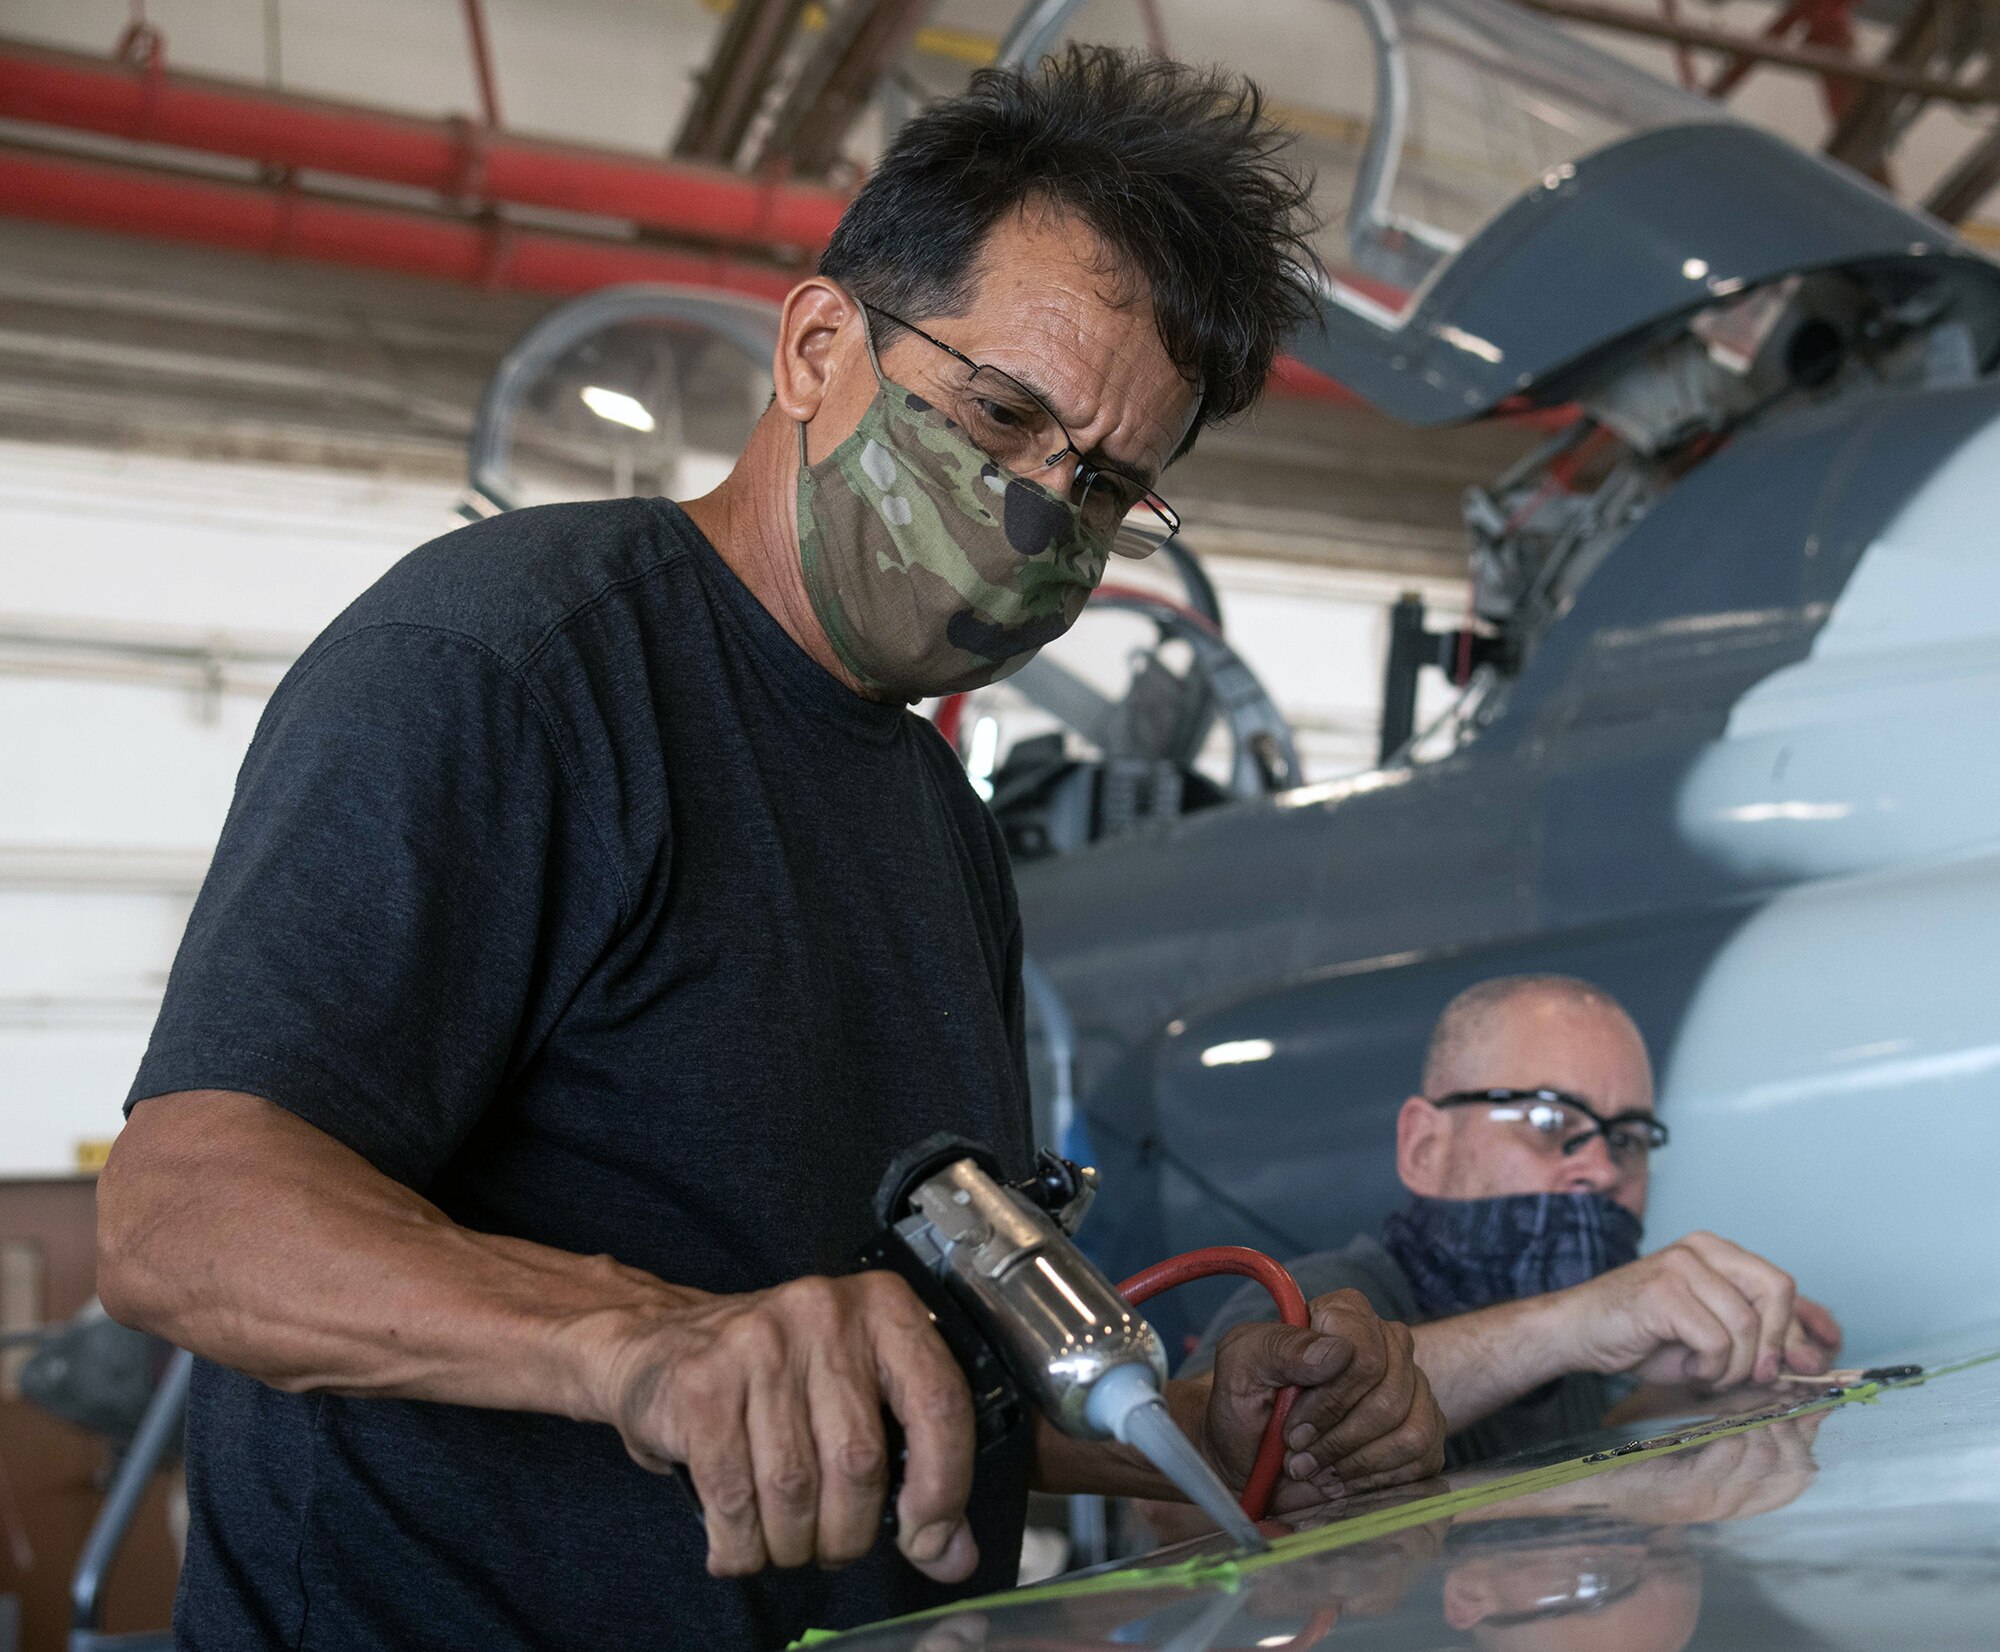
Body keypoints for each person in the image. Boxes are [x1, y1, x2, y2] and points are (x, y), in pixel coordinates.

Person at [93, 48, 1445, 1652]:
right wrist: (635, 1343)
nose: (1036, 517)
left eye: (1103, 489)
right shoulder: (513, 665)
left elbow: (882, 1380)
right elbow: (182, 1214)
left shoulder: (933, 814)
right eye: (1001, 415)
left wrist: (1178, 1441)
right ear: (818, 347)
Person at [1187, 975, 1841, 1468]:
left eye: (1630, 1138)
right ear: (1424, 1148)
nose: (1605, 1171)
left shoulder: (1572, 1351)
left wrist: (1705, 1386)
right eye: (1551, 1122)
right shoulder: (1312, 1299)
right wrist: (1573, 1324)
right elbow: (1176, 1485)